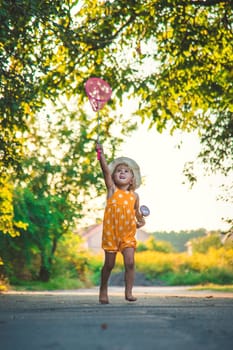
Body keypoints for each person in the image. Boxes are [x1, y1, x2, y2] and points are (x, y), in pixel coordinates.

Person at [96, 142, 146, 304]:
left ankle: (129, 292)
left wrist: (141, 222)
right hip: (111, 233)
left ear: (132, 179)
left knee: (130, 262)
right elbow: (105, 170)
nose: (122, 173)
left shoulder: (135, 196)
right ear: (113, 176)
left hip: (127, 235)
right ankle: (103, 288)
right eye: (118, 171)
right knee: (109, 264)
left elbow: (137, 215)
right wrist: (100, 154)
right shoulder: (112, 190)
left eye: (126, 171)